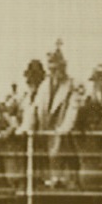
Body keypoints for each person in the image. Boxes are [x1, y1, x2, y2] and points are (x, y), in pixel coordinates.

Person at [21, 43, 81, 187]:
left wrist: (62, 130)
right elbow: (34, 108)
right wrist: (26, 127)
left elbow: (73, 110)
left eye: (57, 68)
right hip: (45, 136)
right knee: (44, 173)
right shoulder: (44, 86)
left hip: (64, 139)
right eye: (51, 69)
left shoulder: (73, 85)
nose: (55, 72)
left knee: (65, 175)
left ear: (63, 67)